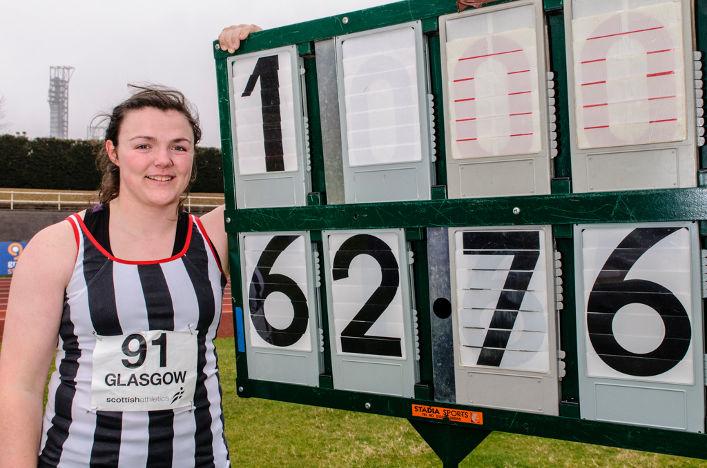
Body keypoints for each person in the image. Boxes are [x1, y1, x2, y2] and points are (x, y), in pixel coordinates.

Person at [0, 86, 230, 467]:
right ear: (113, 152)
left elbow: (286, 175)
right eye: (143, 146)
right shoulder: (59, 246)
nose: (163, 160)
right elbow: (18, 388)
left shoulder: (215, 237)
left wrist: (262, 55)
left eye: (179, 146)